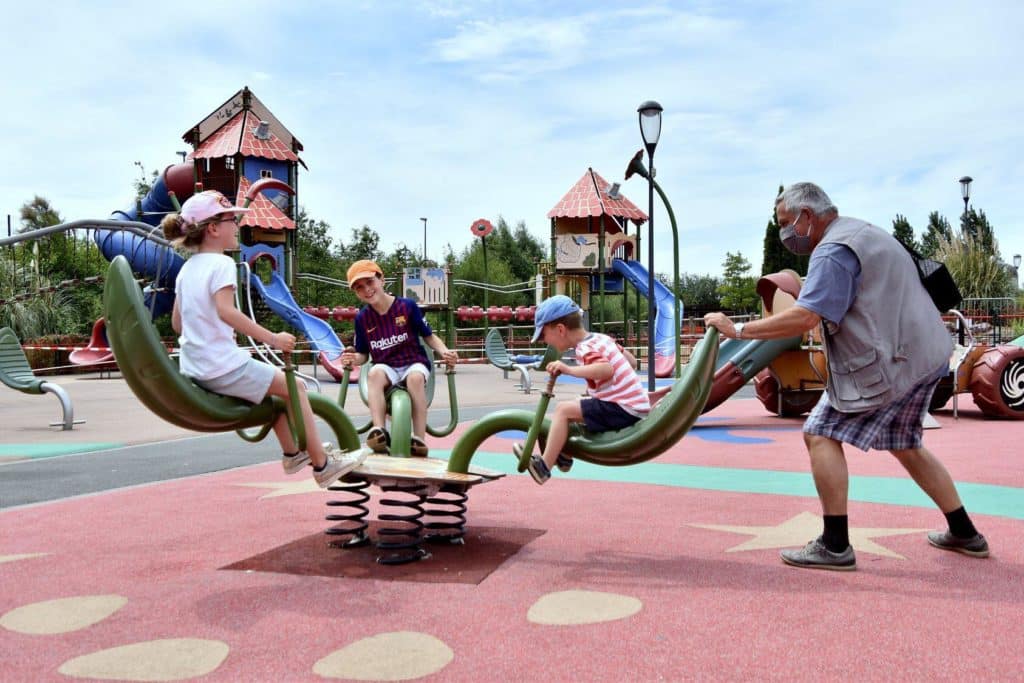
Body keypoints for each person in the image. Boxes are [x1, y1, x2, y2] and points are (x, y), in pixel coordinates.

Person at [704, 182, 988, 571]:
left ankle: (835, 544)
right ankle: (965, 532)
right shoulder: (865, 232)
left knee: (819, 432)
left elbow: (806, 315)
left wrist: (737, 330)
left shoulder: (833, 251)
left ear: (807, 216)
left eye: (786, 222)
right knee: (906, 443)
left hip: (893, 363)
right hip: (925, 354)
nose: (785, 233)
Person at [162, 190, 368, 488]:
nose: (238, 225)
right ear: (213, 228)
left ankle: (293, 452)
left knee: (276, 391)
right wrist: (272, 338)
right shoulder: (221, 265)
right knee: (296, 386)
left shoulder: (186, 270)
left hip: (197, 367)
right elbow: (226, 311)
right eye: (232, 219)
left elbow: (178, 324)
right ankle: (323, 465)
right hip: (222, 366)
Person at [516, 295, 650, 484]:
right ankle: (564, 456)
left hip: (623, 409)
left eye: (544, 336)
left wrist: (569, 369)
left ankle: (544, 467)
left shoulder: (584, 348)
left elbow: (606, 369)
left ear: (561, 330)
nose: (546, 342)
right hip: (633, 405)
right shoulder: (601, 339)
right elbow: (632, 362)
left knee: (563, 410)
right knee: (578, 402)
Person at [339, 260, 457, 456]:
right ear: (356, 293)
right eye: (359, 287)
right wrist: (352, 359)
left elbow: (428, 335)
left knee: (415, 379)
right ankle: (379, 432)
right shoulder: (362, 318)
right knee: (374, 374)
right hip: (386, 365)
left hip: (413, 362)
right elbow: (363, 354)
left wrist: (444, 351)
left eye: (370, 282)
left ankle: (419, 439)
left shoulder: (407, 307)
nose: (367, 290)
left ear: (382, 280)